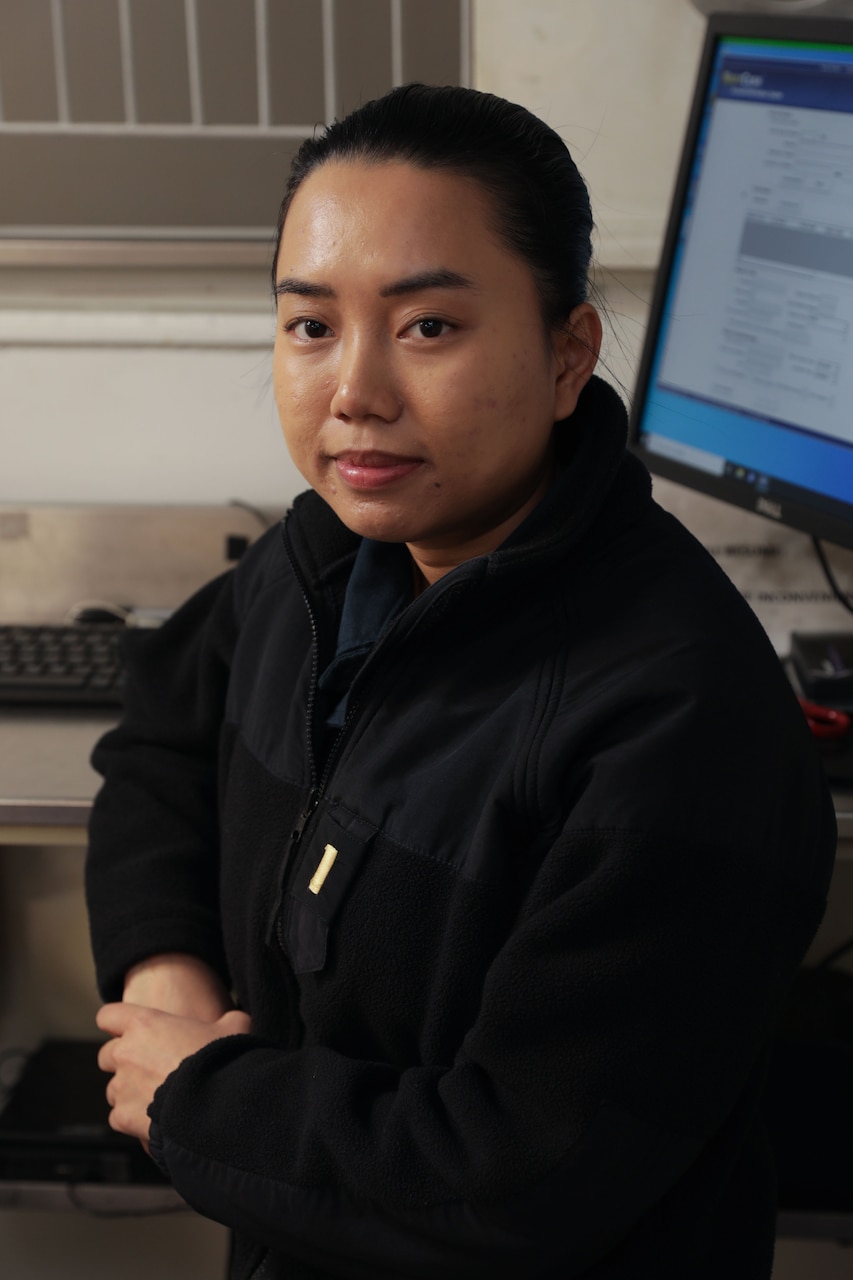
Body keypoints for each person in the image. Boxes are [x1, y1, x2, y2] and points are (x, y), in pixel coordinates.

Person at [87, 83, 836, 1280]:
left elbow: (521, 1171)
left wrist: (200, 1090)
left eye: (429, 326)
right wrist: (163, 972)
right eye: (311, 325)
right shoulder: (319, 559)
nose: (356, 392)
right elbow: (161, 743)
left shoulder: (675, 719)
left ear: (565, 354)